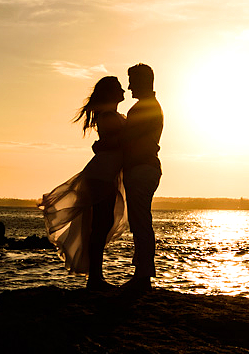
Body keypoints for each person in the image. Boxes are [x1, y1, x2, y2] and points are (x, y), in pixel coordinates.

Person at [39, 75, 129, 290]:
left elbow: (107, 144)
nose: (124, 91)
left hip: (106, 173)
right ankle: (95, 279)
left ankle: (96, 277)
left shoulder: (112, 115)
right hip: (101, 175)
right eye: (119, 88)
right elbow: (113, 143)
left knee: (101, 225)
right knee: (99, 226)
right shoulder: (108, 117)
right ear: (110, 93)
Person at [117, 63, 163, 294]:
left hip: (142, 169)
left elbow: (129, 140)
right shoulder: (148, 107)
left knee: (141, 222)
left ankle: (143, 276)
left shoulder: (144, 108)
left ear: (143, 82)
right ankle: (142, 273)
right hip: (144, 168)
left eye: (132, 81)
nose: (129, 86)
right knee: (140, 221)